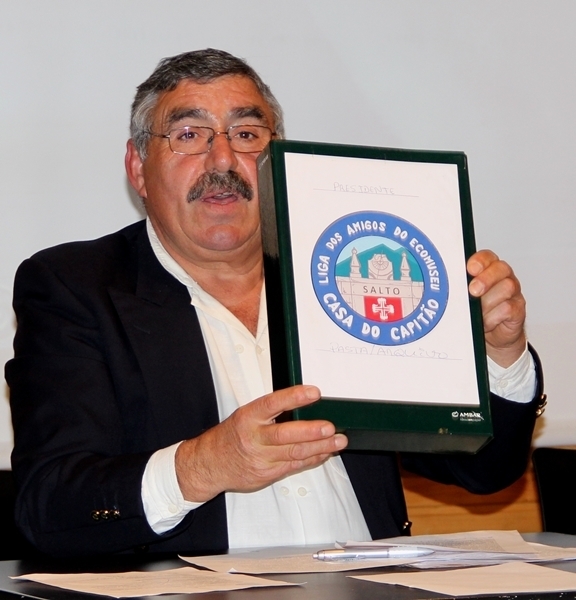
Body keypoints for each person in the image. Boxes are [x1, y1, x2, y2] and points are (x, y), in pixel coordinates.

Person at [6, 49, 545, 557]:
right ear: (138, 167)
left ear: (278, 160)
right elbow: (50, 504)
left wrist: (500, 356)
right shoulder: (76, 287)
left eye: (246, 134)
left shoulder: (342, 276)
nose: (223, 159)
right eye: (189, 135)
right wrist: (204, 465)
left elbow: (482, 470)